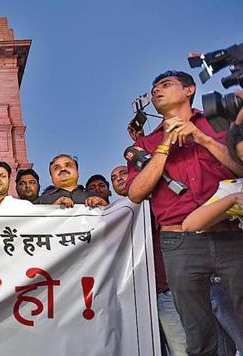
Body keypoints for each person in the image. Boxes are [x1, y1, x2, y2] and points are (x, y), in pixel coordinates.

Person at [126, 70, 243, 356]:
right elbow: (136, 192)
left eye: (165, 85)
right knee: (197, 334)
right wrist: (164, 145)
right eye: (153, 89)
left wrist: (202, 139)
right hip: (180, 243)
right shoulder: (145, 145)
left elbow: (240, 168)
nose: (156, 92)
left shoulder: (219, 123)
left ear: (189, 90)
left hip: (231, 236)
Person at [113, 164, 188, 356]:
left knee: (181, 348)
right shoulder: (111, 215)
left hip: (164, 292)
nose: (120, 178)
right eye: (114, 177)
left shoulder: (156, 204)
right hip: (132, 299)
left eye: (124, 173)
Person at [38, 154, 107, 208]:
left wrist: (105, 207)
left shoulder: (95, 197)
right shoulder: (41, 201)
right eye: (56, 168)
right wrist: (51, 210)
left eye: (68, 165)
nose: (63, 169)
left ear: (78, 172)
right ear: (51, 178)